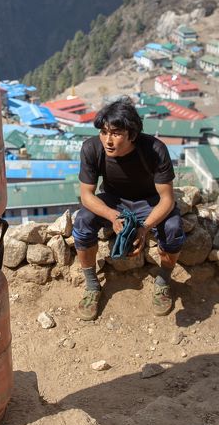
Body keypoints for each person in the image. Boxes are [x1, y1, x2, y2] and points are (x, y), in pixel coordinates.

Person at [71, 98, 186, 320]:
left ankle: (163, 282)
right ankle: (92, 285)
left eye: (115, 133)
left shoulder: (154, 149)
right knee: (83, 221)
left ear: (132, 134)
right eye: (104, 132)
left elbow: (166, 199)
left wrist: (144, 228)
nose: (108, 140)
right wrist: (113, 216)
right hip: (114, 200)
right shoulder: (92, 148)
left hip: (149, 201)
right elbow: (87, 195)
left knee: (173, 227)